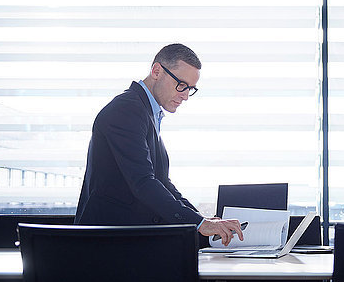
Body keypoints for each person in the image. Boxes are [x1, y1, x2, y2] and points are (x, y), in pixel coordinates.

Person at [75, 43, 243, 246]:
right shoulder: (126, 110)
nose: (185, 95)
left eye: (190, 88)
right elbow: (144, 183)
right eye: (181, 84)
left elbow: (162, 182)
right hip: (107, 244)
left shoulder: (146, 112)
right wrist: (199, 223)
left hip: (125, 243)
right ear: (156, 71)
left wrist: (201, 220)